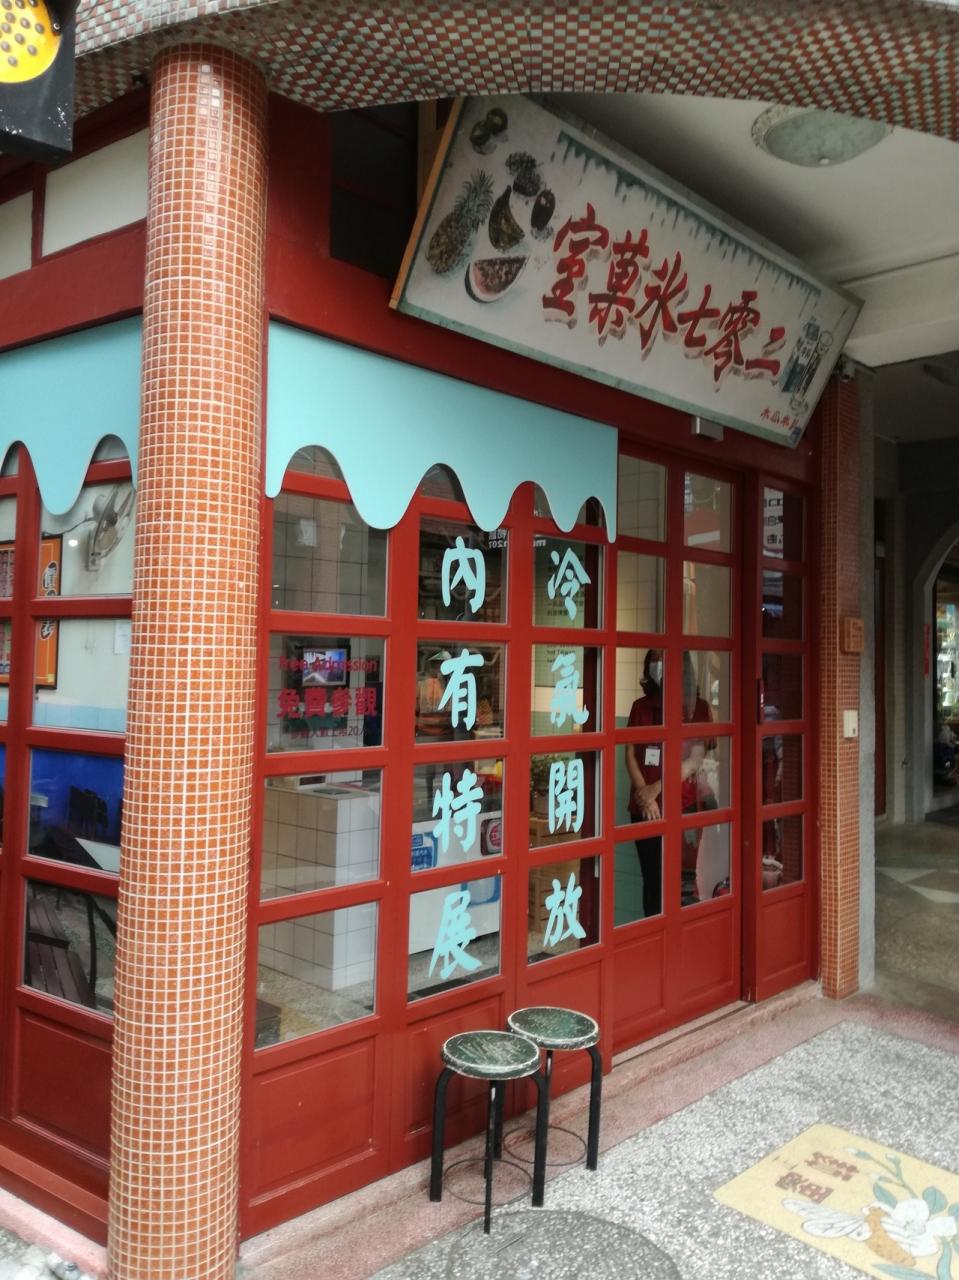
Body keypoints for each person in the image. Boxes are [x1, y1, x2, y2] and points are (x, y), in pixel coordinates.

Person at [625, 651, 714, 915]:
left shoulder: (698, 707)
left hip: (683, 807)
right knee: (652, 881)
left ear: (683, 668)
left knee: (683, 881)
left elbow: (694, 760)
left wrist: (655, 790)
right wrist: (646, 798)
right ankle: (654, 933)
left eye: (665, 661)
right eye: (655, 662)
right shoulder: (640, 707)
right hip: (645, 809)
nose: (659, 667)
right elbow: (630, 754)